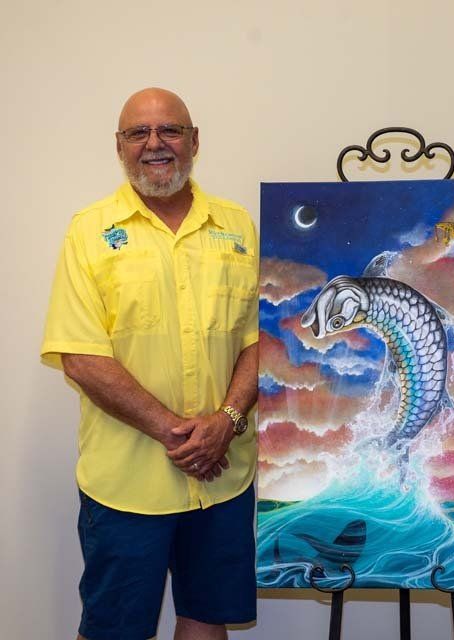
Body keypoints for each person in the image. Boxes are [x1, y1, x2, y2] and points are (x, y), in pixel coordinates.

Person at [41, 88, 259, 640]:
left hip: (223, 477)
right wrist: (183, 436)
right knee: (115, 629)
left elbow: (264, 339)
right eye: (139, 132)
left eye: (170, 131)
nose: (155, 144)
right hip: (126, 482)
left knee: (207, 619)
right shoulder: (89, 232)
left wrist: (226, 423)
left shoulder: (238, 228)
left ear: (194, 141)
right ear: (119, 146)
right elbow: (81, 357)